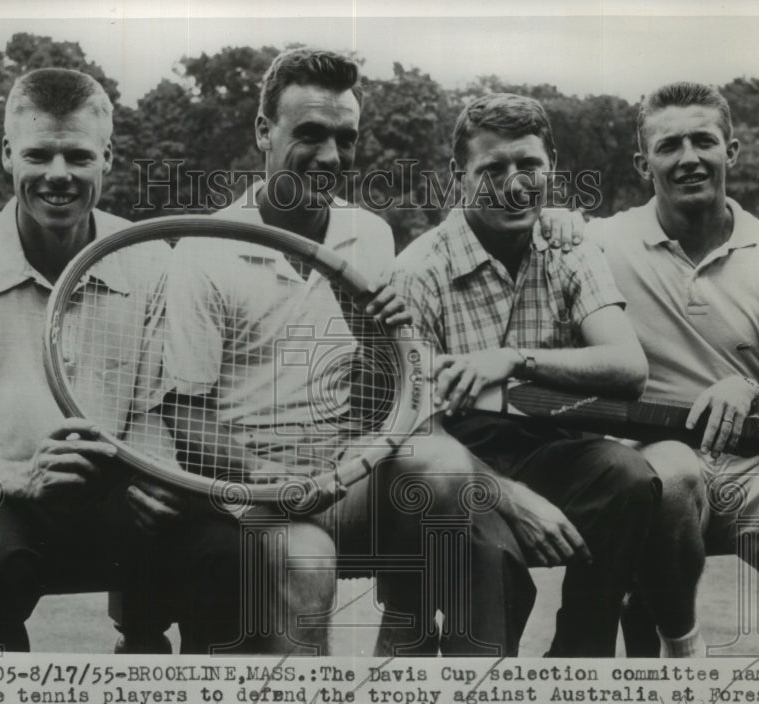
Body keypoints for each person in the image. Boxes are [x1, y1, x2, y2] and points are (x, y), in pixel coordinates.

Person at [163, 50, 584, 657]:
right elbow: (186, 414)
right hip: (256, 491)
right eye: (310, 134)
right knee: (307, 567)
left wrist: (373, 343)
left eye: (345, 137)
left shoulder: (372, 234)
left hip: (350, 479)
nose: (331, 156)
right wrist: (260, 476)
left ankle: (405, 635)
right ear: (263, 132)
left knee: (439, 459)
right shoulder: (204, 251)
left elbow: (383, 397)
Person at [0, 68, 195, 651]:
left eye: (78, 156)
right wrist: (21, 478)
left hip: (117, 495)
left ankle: (160, 697)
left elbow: (162, 409)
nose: (58, 175)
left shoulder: (153, 261)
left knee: (227, 552)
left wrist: (157, 477)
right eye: (39, 154)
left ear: (107, 157)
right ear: (8, 154)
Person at [391, 93, 661, 657]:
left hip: (550, 445)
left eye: (529, 166)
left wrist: (516, 357)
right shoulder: (420, 270)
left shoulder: (567, 246)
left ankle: (577, 670)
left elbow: (629, 367)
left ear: (551, 166)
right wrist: (505, 496)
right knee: (496, 564)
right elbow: (413, 428)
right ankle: (477, 703)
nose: (514, 185)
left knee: (629, 479)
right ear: (457, 176)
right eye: (491, 169)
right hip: (458, 461)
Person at [585, 82, 759, 657]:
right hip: (652, 463)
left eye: (705, 141)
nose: (689, 157)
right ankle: (683, 647)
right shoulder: (599, 243)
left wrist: (750, 393)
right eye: (670, 145)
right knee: (671, 476)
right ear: (642, 163)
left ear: (733, 151)